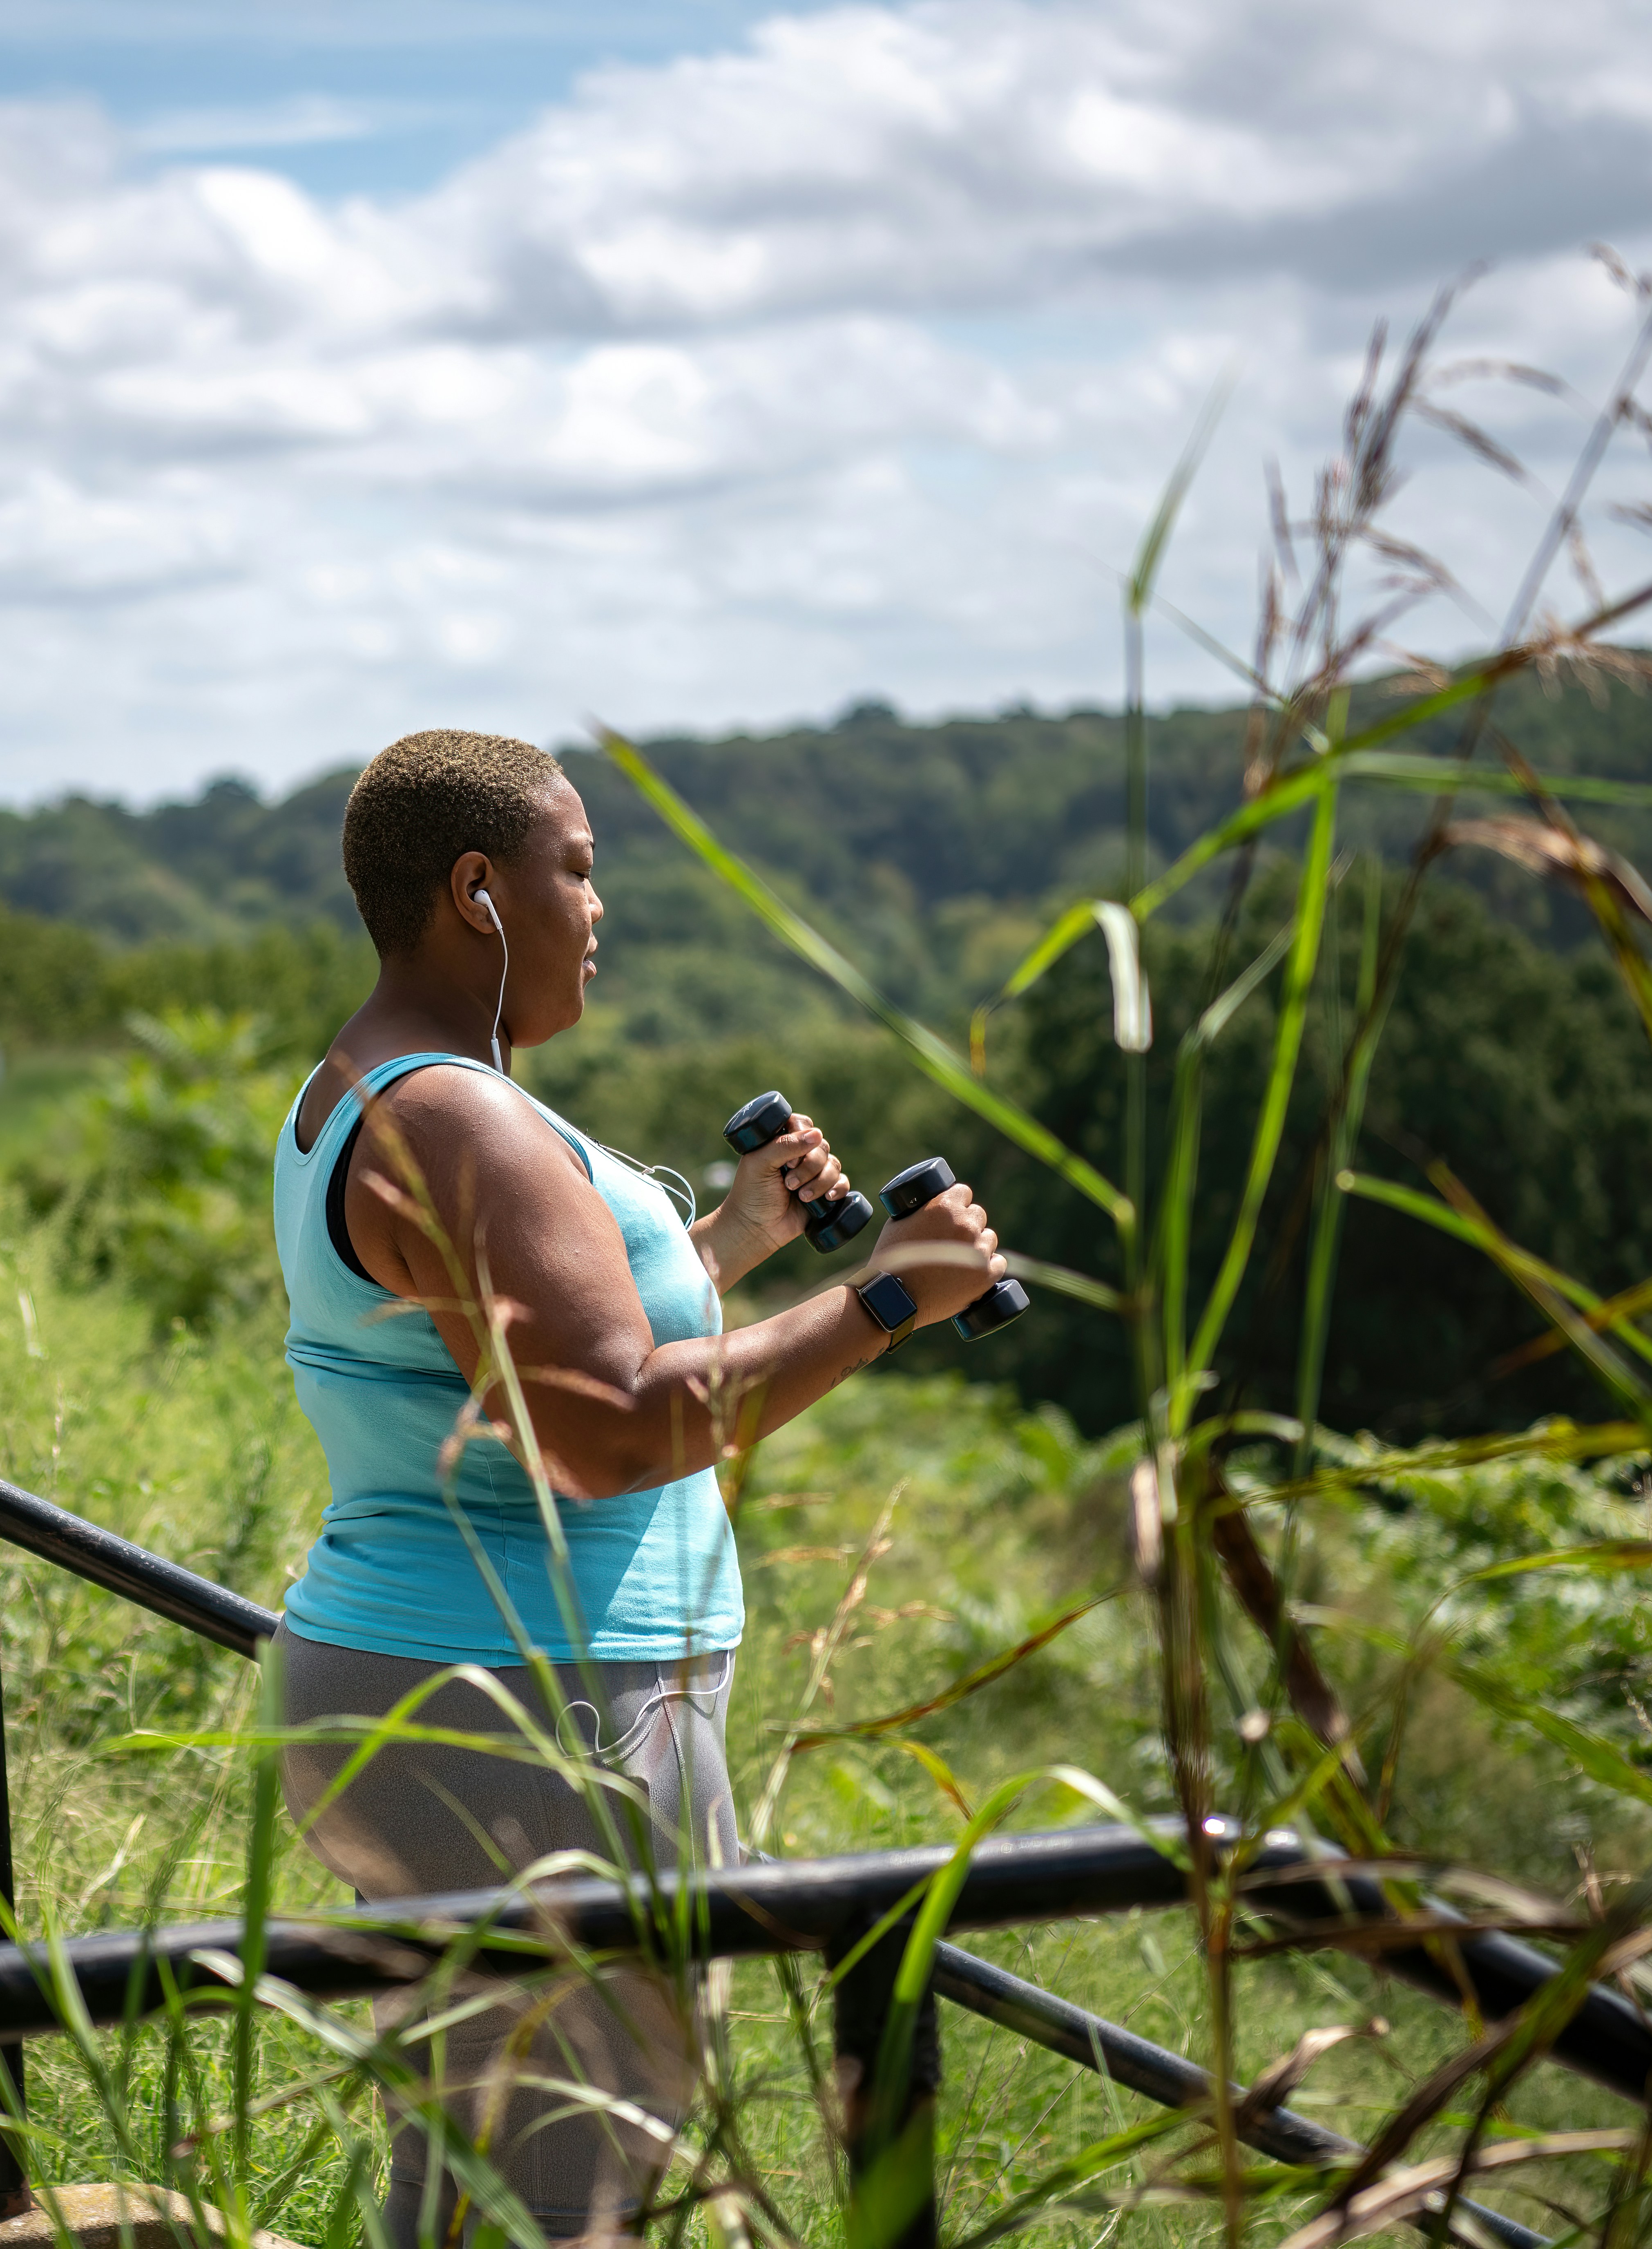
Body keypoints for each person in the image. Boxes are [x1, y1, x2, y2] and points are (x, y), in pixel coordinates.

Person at [269, 729, 1007, 2245]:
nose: (601, 911)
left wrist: (729, 1247)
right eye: (580, 870)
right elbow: (598, 1430)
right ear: (478, 890)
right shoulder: (461, 1118)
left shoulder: (394, 1091)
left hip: (476, 1689)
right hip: (533, 1710)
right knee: (565, 2193)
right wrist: (886, 1300)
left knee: (487, 2171)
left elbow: (522, 1353)